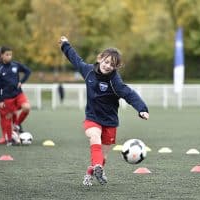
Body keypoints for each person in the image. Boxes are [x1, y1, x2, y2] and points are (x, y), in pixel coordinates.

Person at [59, 36, 149, 186]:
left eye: (112, 65)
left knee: (103, 155)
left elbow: (129, 94)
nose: (107, 66)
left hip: (110, 121)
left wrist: (142, 109)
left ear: (116, 67)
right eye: (106, 62)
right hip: (92, 117)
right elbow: (75, 59)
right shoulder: (88, 71)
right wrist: (65, 45)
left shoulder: (116, 82)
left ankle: (92, 170)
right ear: (100, 59)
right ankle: (98, 167)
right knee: (94, 137)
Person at [0, 46, 31, 146]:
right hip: (7, 97)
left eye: (10, 54)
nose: (9, 56)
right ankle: (9, 140)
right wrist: (0, 100)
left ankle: (16, 125)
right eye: (7, 55)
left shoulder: (16, 65)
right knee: (9, 116)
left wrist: (21, 82)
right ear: (1, 56)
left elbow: (28, 71)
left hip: (18, 94)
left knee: (27, 107)